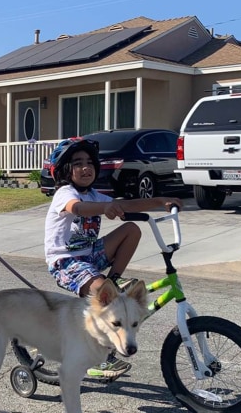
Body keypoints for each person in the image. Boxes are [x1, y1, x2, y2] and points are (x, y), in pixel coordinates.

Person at [44, 137, 182, 380]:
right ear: (65, 170)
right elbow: (77, 208)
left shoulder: (96, 195)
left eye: (89, 162)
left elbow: (127, 204)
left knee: (131, 229)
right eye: (77, 163)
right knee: (103, 300)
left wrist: (160, 202)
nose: (85, 167)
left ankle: (114, 280)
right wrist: (103, 209)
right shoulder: (64, 193)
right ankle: (99, 359)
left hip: (89, 256)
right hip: (66, 261)